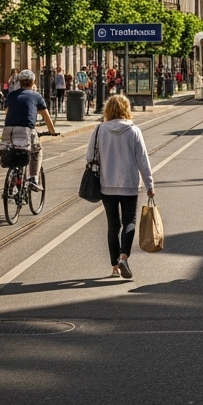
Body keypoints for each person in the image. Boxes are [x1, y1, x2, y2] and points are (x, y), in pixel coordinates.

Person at [86, 93, 154, 278]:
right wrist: (149, 184)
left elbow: (89, 158)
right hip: (129, 184)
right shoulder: (134, 131)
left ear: (108, 109)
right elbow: (143, 160)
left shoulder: (100, 129)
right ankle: (124, 255)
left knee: (113, 225)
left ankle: (115, 266)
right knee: (129, 222)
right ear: (126, 109)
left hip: (106, 185)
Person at [1, 69, 57, 190]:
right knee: (36, 151)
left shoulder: (11, 95)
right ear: (32, 82)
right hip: (26, 130)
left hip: (8, 130)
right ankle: (33, 178)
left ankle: (13, 176)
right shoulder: (36, 96)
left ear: (19, 82)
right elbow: (46, 117)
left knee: (13, 150)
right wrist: (52, 131)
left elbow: (7, 111)